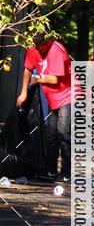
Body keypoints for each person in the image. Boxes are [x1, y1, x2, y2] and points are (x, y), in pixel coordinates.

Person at [17, 33, 74, 181]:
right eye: (37, 46)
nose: (40, 50)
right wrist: (23, 92)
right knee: (51, 134)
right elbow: (28, 70)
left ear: (47, 42)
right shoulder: (33, 50)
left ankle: (67, 171)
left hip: (67, 94)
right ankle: (51, 170)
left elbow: (54, 79)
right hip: (52, 97)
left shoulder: (56, 50)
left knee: (63, 132)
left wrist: (37, 80)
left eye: (42, 46)